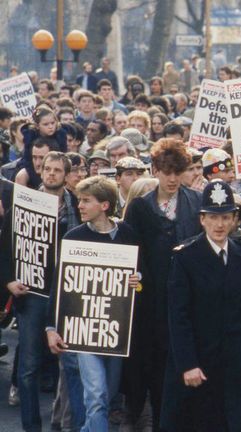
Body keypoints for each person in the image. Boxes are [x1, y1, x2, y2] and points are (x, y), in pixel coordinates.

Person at [162, 180, 241, 430]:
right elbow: (179, 317)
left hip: (236, 361)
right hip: (201, 363)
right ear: (202, 219)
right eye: (213, 217)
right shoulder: (186, 257)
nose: (219, 224)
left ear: (234, 219)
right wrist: (188, 364)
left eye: (225, 217)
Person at [45, 175, 141, 431]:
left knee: (107, 398)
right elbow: (59, 287)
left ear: (105, 205)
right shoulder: (74, 237)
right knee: (96, 397)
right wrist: (51, 328)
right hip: (83, 333)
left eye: (86, 201)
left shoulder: (128, 235)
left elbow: (143, 280)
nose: (80, 206)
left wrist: (137, 281)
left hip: (115, 332)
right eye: (79, 200)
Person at [122, 138, 202, 427]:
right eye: (166, 171)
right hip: (152, 305)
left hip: (190, 302)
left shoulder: (197, 203)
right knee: (156, 376)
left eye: (177, 171)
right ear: (154, 170)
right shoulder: (141, 208)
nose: (172, 178)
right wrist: (134, 278)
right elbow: (131, 252)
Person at [0, 151, 82, 431]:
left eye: (57, 170)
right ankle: (31, 426)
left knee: (71, 364)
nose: (50, 174)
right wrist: (9, 281)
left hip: (68, 293)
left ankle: (66, 424)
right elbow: (4, 247)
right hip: (33, 293)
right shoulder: (23, 205)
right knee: (29, 366)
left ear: (67, 174)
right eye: (47, 168)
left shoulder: (79, 208)